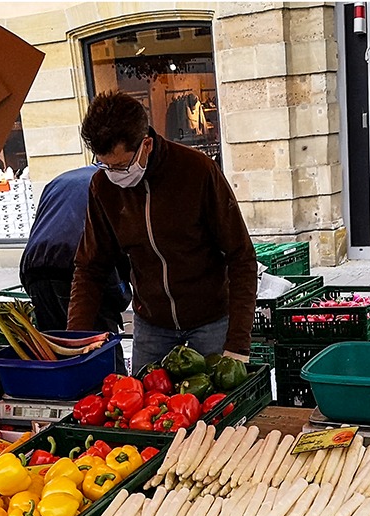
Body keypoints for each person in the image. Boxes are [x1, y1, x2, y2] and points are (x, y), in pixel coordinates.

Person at [67, 91, 258, 375]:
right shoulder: (102, 187)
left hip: (211, 322)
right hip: (151, 325)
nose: (113, 174)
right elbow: (90, 266)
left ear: (146, 145)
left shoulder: (197, 171)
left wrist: (238, 343)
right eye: (104, 164)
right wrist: (75, 339)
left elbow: (241, 256)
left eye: (120, 166)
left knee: (213, 410)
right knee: (141, 410)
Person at [19, 165, 131, 372]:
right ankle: (111, 391)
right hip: (79, 267)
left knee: (57, 350)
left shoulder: (60, 179)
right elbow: (121, 243)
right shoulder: (111, 183)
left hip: (35, 267)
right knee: (99, 348)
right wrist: (121, 293)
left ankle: (66, 396)